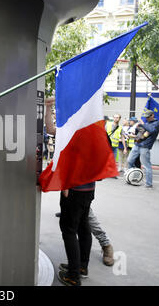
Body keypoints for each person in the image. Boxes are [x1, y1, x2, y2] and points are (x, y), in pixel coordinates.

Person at [44, 97, 96, 286]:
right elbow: (52, 130)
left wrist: (65, 185)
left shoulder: (72, 130)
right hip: (89, 188)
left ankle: (73, 276)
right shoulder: (89, 128)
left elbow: (52, 132)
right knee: (83, 226)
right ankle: (81, 266)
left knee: (69, 229)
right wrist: (49, 107)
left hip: (73, 189)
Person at [127, 109, 159, 188]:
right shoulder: (147, 123)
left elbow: (151, 130)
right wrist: (137, 128)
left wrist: (142, 124)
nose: (146, 118)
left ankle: (149, 184)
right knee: (129, 161)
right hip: (137, 144)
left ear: (152, 115)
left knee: (146, 166)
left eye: (148, 117)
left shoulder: (157, 123)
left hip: (145, 147)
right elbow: (140, 133)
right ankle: (132, 178)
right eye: (146, 117)